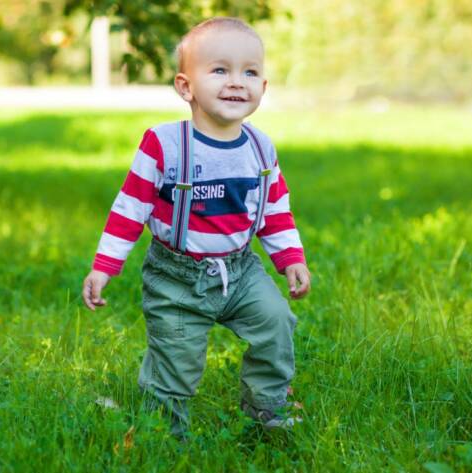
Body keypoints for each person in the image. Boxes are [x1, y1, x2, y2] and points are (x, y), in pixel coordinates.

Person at [81, 17, 311, 437]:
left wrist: (290, 257)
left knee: (276, 321)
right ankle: (164, 433)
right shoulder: (165, 144)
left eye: (250, 72)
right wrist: (104, 266)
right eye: (220, 70)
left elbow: (274, 208)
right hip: (178, 278)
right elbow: (130, 208)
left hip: (240, 270)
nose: (236, 82)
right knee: (177, 360)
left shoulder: (260, 147)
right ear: (186, 87)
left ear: (264, 87)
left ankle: (268, 408)